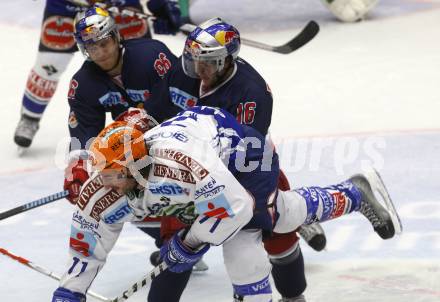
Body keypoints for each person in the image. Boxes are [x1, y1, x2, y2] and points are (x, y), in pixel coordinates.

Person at [51, 106, 401, 302]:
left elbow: (237, 207)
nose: (105, 183)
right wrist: (70, 290)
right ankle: (354, 192)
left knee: (267, 228)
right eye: (103, 174)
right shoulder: (104, 186)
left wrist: (189, 243)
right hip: (201, 181)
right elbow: (87, 242)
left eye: (114, 174)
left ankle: (353, 194)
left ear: (137, 165)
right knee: (267, 224)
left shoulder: (179, 164)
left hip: (239, 154)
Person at [143, 17, 323, 301]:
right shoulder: (183, 71)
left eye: (206, 63)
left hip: (249, 172)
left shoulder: (252, 92)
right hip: (186, 172)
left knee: (279, 240)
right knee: (175, 249)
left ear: (225, 62)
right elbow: (151, 116)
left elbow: (245, 156)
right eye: (192, 60)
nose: (197, 69)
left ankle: (293, 293)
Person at [13, 0, 181, 150]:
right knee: (50, 63)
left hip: (118, 3)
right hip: (67, 5)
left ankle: (156, 121)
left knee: (141, 59)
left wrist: (160, 4)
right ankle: (30, 117)